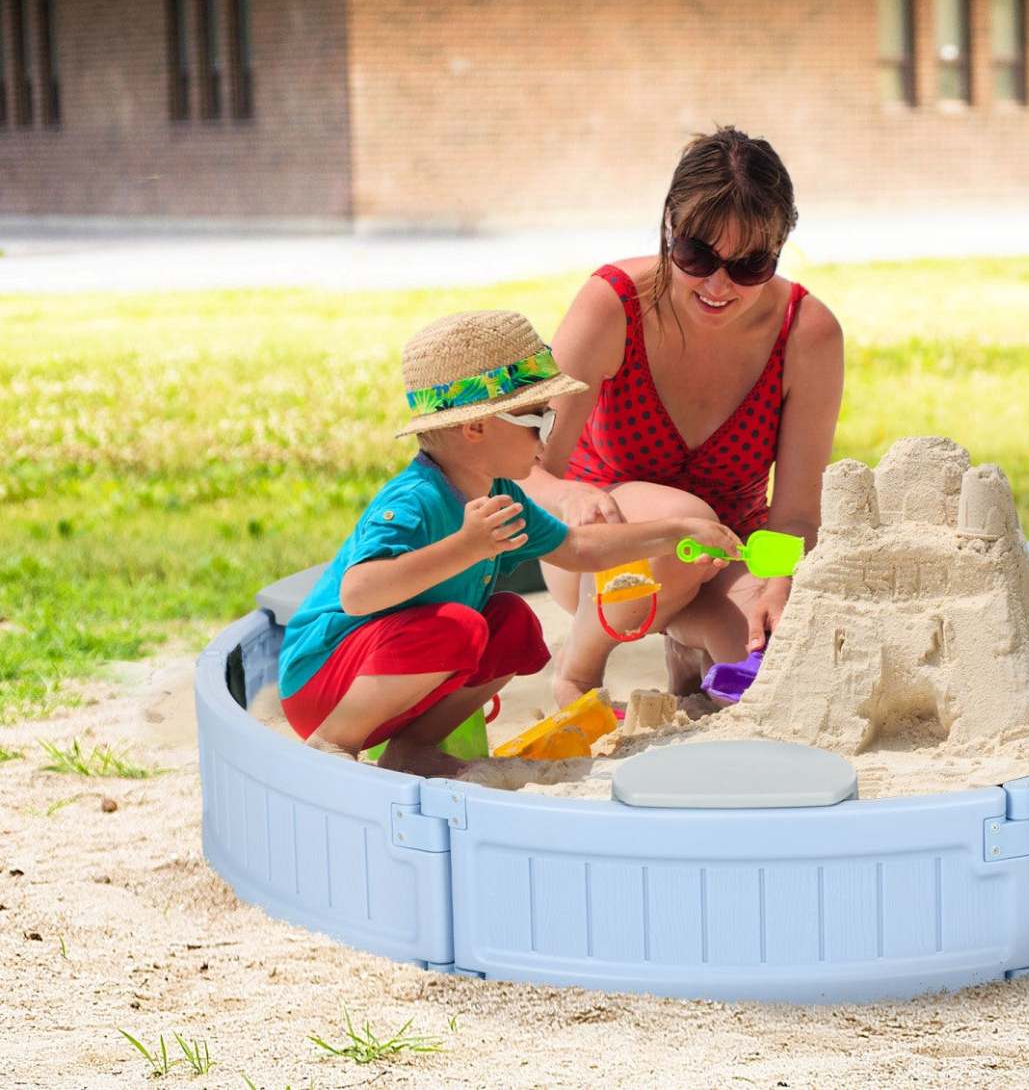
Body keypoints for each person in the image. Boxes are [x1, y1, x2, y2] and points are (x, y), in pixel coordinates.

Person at [277, 309, 740, 773]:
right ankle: (332, 747)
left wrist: (676, 532)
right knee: (460, 627)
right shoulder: (414, 500)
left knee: (512, 623)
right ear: (476, 428)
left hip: (386, 675)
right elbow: (359, 594)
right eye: (537, 423)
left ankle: (413, 748)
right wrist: (465, 547)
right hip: (325, 681)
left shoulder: (499, 493)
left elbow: (577, 549)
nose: (546, 443)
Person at [522, 127, 845, 706]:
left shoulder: (807, 333)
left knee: (765, 671)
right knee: (681, 525)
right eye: (697, 256)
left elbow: (795, 514)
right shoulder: (613, 304)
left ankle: (688, 638)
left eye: (750, 265)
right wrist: (569, 497)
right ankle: (579, 667)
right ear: (670, 225)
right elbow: (526, 470)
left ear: (780, 248)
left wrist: (776, 581)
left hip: (727, 546)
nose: (719, 285)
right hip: (600, 557)